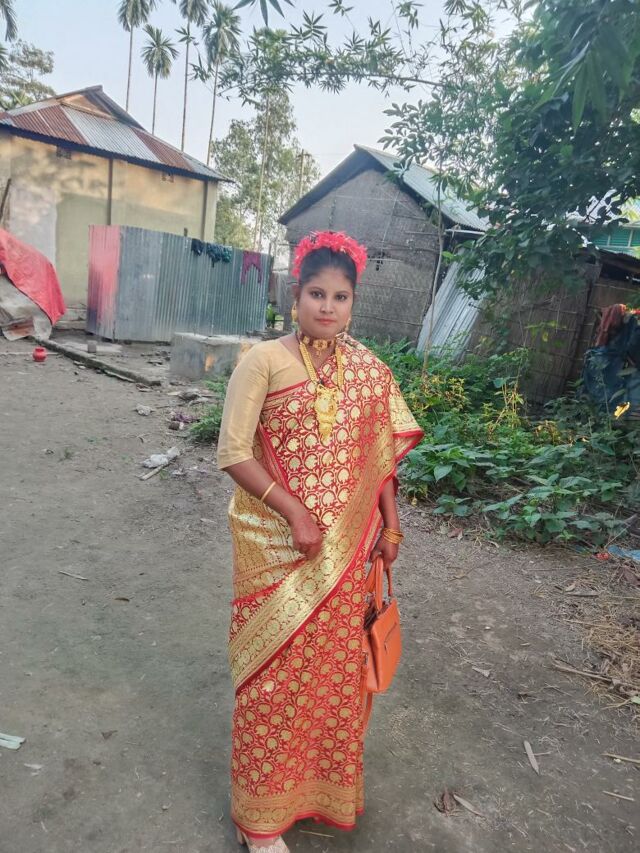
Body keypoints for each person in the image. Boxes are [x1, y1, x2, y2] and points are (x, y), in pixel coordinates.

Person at [217, 231, 423, 851]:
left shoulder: (369, 370)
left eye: (340, 296)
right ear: (294, 293)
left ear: (353, 302)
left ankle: (311, 793)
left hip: (348, 552)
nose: (327, 307)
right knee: (271, 681)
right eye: (316, 293)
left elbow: (380, 459)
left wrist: (390, 525)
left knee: (330, 681)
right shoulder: (263, 360)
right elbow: (232, 453)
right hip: (275, 549)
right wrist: (295, 514)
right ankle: (258, 822)